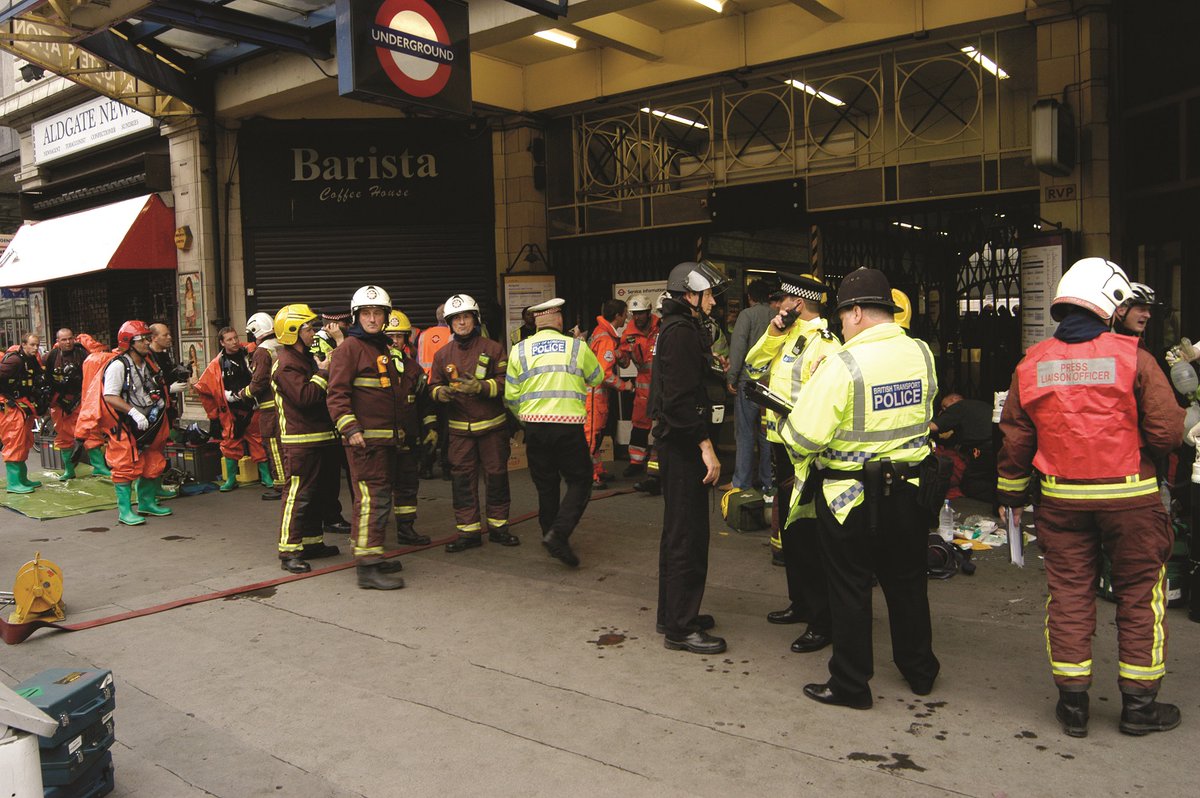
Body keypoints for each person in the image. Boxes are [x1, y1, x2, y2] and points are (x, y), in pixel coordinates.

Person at [996, 257, 1185, 738]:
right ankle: (1139, 707)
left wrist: (1012, 494)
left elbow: (1016, 438)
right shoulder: (1133, 357)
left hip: (1061, 502)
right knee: (1140, 597)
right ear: (1112, 302)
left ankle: (1074, 705)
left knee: (1069, 596)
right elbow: (1166, 431)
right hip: (1132, 499)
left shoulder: (1032, 362)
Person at [779, 267, 939, 710]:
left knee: (849, 588)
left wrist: (784, 422)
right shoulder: (921, 352)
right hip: (909, 493)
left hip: (850, 500)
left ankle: (851, 685)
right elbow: (922, 411)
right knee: (908, 583)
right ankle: (920, 670)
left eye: (842, 316)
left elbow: (805, 437)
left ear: (854, 313)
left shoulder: (843, 363)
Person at [745, 273, 841, 655]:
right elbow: (752, 369)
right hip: (780, 445)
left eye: (782, 300)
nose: (777, 304)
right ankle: (801, 603)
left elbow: (825, 402)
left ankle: (822, 620)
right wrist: (772, 330)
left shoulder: (825, 345)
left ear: (797, 304)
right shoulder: (785, 335)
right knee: (791, 532)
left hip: (807, 450)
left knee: (811, 536)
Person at [327, 285, 431, 590]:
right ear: (357, 316)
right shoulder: (349, 348)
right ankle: (367, 568)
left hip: (387, 442)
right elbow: (337, 394)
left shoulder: (382, 348)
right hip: (365, 443)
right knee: (371, 501)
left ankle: (374, 554)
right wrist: (350, 428)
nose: (373, 319)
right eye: (367, 313)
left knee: (380, 500)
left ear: (385, 316)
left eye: (378, 313)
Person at [653, 262, 726, 655]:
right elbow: (678, 402)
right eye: (709, 294)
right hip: (683, 446)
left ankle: (673, 613)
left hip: (677, 443)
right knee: (688, 536)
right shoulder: (681, 332)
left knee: (677, 532)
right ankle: (681, 629)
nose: (713, 301)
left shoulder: (679, 328)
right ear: (690, 294)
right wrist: (705, 447)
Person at [506, 298, 604, 566]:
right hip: (568, 428)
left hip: (535, 429)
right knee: (581, 480)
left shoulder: (519, 350)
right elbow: (597, 377)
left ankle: (548, 532)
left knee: (546, 484)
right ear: (559, 319)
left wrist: (526, 419)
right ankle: (559, 534)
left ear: (537, 322)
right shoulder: (575, 346)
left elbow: (510, 396)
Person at [430, 293, 517, 552]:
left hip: (492, 428)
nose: (461, 323)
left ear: (475, 319)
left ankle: (499, 528)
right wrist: (440, 393)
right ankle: (468, 533)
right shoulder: (442, 354)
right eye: (456, 318)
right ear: (449, 323)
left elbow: (506, 383)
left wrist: (481, 387)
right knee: (462, 481)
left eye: (465, 317)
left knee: (497, 477)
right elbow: (433, 385)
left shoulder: (493, 348)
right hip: (459, 432)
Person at [271, 304, 343, 573]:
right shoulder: (286, 364)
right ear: (293, 332)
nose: (314, 332)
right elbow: (306, 397)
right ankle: (289, 551)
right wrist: (323, 372)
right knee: (298, 496)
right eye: (309, 328)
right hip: (300, 441)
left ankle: (312, 543)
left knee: (317, 495)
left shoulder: (304, 358)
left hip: (319, 437)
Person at [94, 321, 173, 525]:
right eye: (143, 339)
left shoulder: (146, 363)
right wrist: (135, 413)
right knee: (124, 466)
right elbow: (110, 396)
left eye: (148, 338)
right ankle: (125, 511)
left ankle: (146, 502)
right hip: (126, 424)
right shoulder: (118, 366)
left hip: (148, 421)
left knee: (152, 460)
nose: (148, 342)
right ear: (129, 342)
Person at [194, 326, 273, 492]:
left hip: (252, 406)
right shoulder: (217, 365)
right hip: (231, 411)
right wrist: (214, 414)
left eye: (235, 337)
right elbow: (204, 388)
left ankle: (266, 476)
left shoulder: (251, 352)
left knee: (258, 441)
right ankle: (230, 479)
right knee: (230, 443)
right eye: (229, 339)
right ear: (222, 343)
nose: (234, 341)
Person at [725, 280, 776, 495]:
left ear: (750, 297)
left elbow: (738, 346)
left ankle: (742, 482)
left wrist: (732, 376)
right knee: (767, 434)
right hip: (772, 384)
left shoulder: (747, 315)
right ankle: (768, 482)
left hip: (749, 382)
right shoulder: (777, 315)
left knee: (745, 432)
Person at [585, 299, 632, 488]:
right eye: (625, 313)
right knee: (591, 437)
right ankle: (589, 476)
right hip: (595, 396)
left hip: (594, 394)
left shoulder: (600, 333)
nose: (627, 317)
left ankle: (597, 471)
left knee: (594, 435)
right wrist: (625, 386)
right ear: (617, 316)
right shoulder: (605, 338)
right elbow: (605, 374)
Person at [245, 312, 285, 501]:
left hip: (270, 408)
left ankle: (281, 485)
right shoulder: (281, 344)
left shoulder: (262, 350)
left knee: (274, 445)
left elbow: (259, 381)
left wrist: (243, 393)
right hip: (285, 404)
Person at [929, 393, 995, 503]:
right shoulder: (978, 407)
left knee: (969, 485)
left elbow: (934, 427)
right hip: (999, 445)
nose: (944, 410)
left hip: (983, 449)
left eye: (945, 406)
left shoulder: (958, 407)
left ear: (955, 399)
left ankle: (1001, 498)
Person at [618, 295, 657, 478]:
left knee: (668, 424)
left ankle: (664, 463)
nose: (637, 317)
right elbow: (625, 363)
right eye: (634, 314)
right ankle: (636, 462)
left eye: (640, 313)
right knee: (640, 424)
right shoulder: (629, 333)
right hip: (643, 386)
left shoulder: (662, 326)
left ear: (649, 312)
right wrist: (619, 357)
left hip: (663, 384)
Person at [0, 333, 44, 493]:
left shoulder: (31, 359)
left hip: (21, 404)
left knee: (25, 440)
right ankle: (13, 483)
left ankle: (22, 479)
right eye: (32, 345)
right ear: (23, 344)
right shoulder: (14, 360)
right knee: (14, 440)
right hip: (9, 405)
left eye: (37, 345)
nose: (35, 348)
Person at [43, 328, 88, 481]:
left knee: (90, 433)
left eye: (70, 338)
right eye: (64, 339)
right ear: (58, 341)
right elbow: (46, 377)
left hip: (81, 399)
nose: (68, 342)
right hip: (60, 403)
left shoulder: (82, 353)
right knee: (63, 437)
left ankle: (100, 467)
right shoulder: (52, 356)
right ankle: (69, 470)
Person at [1112, 282, 1157, 347]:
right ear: (1121, 309)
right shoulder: (1104, 341)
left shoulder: (1134, 339)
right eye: (1142, 310)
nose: (1148, 315)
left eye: (1148, 310)